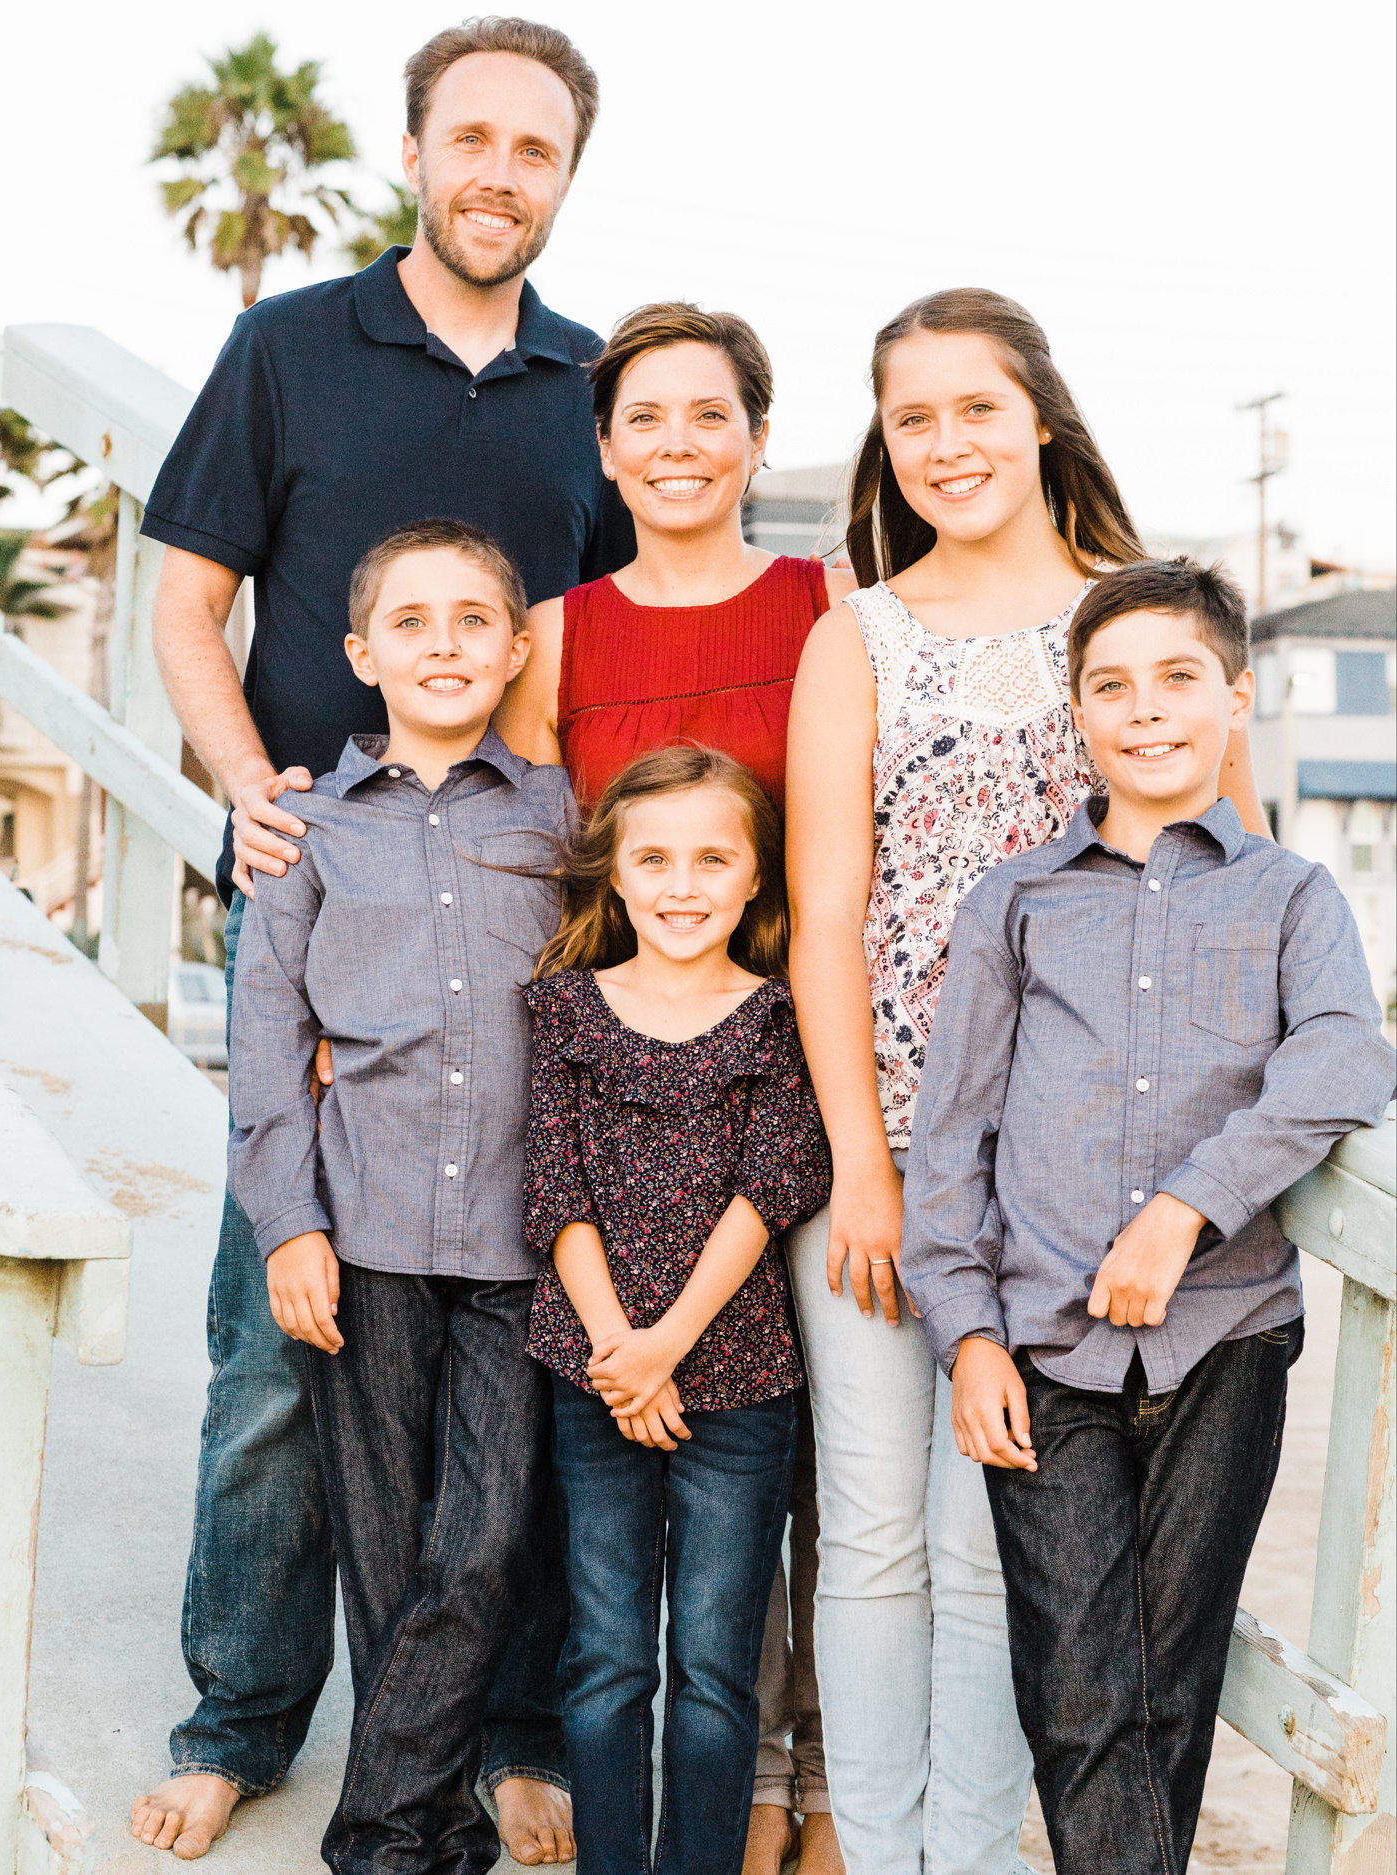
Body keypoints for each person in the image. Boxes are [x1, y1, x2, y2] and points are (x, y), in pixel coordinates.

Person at [132, 19, 632, 1864]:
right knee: (277, 1349)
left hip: (518, 924)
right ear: (414, 149)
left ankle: (506, 1724)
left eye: (538, 150)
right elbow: (187, 599)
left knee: (526, 1350)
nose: (502, 172)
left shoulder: (599, 387)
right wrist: (255, 780)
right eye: (474, 137)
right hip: (327, 901)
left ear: (566, 176)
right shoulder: (285, 350)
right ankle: (241, 1715)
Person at [784, 290, 1271, 1874]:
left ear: (1039, 415)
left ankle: (978, 1859)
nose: (945, 444)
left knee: (1006, 1548)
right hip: (887, 1162)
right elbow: (828, 922)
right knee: (867, 1534)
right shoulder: (854, 632)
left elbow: (1238, 896)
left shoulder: (1137, 636)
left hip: (1076, 1193)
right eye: (910, 417)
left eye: (974, 408)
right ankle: (881, 1841)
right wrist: (864, 1160)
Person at [899, 557, 1396, 1875]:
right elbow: (948, 1140)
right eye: (1110, 685)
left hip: (1223, 1335)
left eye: (1178, 677)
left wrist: (1188, 1203)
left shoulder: (1291, 894)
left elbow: (1345, 1055)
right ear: (1077, 712)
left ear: (1234, 694)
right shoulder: (1015, 899)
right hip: (1042, 1345)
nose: (1146, 709)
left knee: (1166, 1691)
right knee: (1074, 1692)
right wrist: (967, 1333)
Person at [495, 300, 854, 1874]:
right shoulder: (564, 628)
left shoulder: (828, 605)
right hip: (614, 1061)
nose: (677, 445)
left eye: (710, 415)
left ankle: (806, 1783)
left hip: (795, 1049)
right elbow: (515, 847)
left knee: (813, 1491)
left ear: (758, 442)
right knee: (613, 1599)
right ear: (605, 448)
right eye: (645, 417)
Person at [225, 518, 573, 1873]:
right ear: (362, 652)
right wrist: (289, 1225)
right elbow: (265, 1048)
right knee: (384, 1554)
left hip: (517, 1243)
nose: (443, 643)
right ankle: (425, 1840)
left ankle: (373, 1835)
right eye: (412, 622)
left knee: (482, 1538)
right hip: (360, 1233)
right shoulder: (303, 829)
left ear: (515, 648)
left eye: (473, 619)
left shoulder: (556, 813)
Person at [520, 745, 832, 1875]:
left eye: (712, 857)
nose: (682, 884)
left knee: (711, 1663)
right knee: (606, 1655)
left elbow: (771, 1186)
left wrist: (666, 1348)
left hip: (738, 1379)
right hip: (593, 1374)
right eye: (652, 858)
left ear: (756, 878)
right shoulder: (561, 1011)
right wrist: (618, 1350)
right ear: (613, 875)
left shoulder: (780, 1017)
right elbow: (552, 1191)